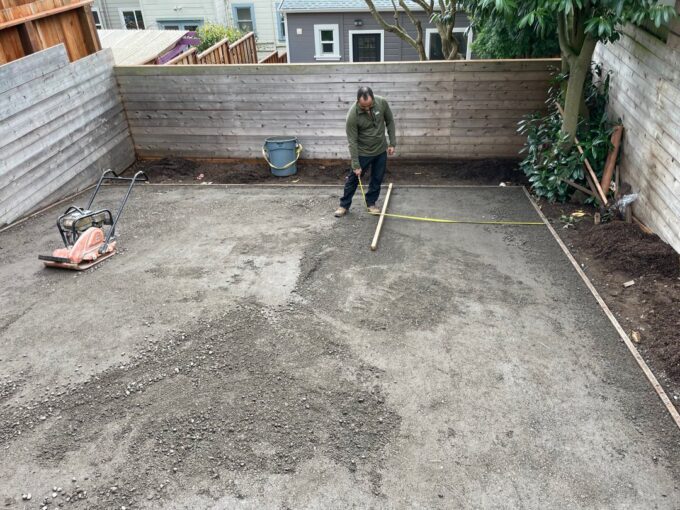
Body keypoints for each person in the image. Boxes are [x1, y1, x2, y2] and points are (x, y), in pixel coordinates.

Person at [335, 86, 396, 217]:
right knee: (353, 179)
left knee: (377, 178)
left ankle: (371, 203)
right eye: (364, 106)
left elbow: (390, 121)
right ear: (358, 101)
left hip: (380, 149)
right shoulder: (352, 115)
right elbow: (352, 141)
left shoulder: (382, 102)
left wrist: (392, 143)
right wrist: (356, 164)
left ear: (373, 99)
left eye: (369, 105)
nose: (367, 108)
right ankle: (344, 205)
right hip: (363, 152)